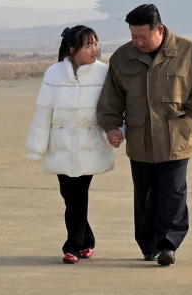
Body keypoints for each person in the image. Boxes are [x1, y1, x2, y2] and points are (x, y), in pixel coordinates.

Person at [98, 4, 192, 267]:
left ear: (159, 30)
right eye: (133, 37)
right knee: (145, 195)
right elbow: (112, 98)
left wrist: (191, 115)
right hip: (141, 139)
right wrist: (112, 126)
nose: (137, 42)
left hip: (176, 137)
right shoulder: (122, 58)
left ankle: (168, 245)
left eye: (143, 37)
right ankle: (148, 245)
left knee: (172, 192)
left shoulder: (186, 51)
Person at [25, 25, 115, 264]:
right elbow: (44, 112)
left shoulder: (103, 73)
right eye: (88, 45)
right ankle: (87, 238)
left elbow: (111, 109)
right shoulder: (54, 73)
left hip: (89, 144)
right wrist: (37, 146)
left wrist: (114, 132)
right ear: (72, 49)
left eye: (96, 43)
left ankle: (72, 246)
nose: (94, 49)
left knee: (78, 194)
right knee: (69, 194)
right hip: (61, 144)